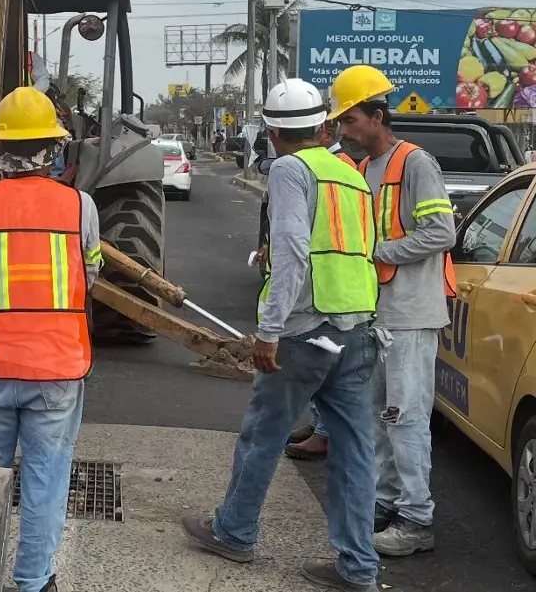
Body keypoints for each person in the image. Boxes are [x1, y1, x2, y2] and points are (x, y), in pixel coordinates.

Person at [182, 79, 381, 592]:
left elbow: (292, 251)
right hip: (357, 328)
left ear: (271, 132)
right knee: (355, 450)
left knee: (262, 436)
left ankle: (235, 531)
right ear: (322, 126)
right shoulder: (352, 175)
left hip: (305, 331)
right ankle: (358, 566)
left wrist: (268, 332)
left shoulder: (291, 170)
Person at [0, 86, 103, 592]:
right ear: (52, 149)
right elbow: (89, 273)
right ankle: (33, 582)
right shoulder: (81, 206)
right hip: (59, 368)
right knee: (46, 483)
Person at [330, 64, 457, 557]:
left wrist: (377, 251)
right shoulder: (362, 169)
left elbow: (441, 234)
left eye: (351, 120)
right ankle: (386, 501)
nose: (345, 130)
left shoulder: (416, 164)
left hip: (410, 314)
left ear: (378, 116)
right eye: (341, 122)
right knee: (378, 416)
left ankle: (416, 519)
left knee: (404, 417)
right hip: (376, 312)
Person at [283, 119, 356, 462]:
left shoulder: (327, 167)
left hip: (326, 299)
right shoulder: (346, 169)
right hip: (347, 301)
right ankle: (320, 429)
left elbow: (301, 246)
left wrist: (270, 330)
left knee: (262, 432)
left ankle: (323, 434)